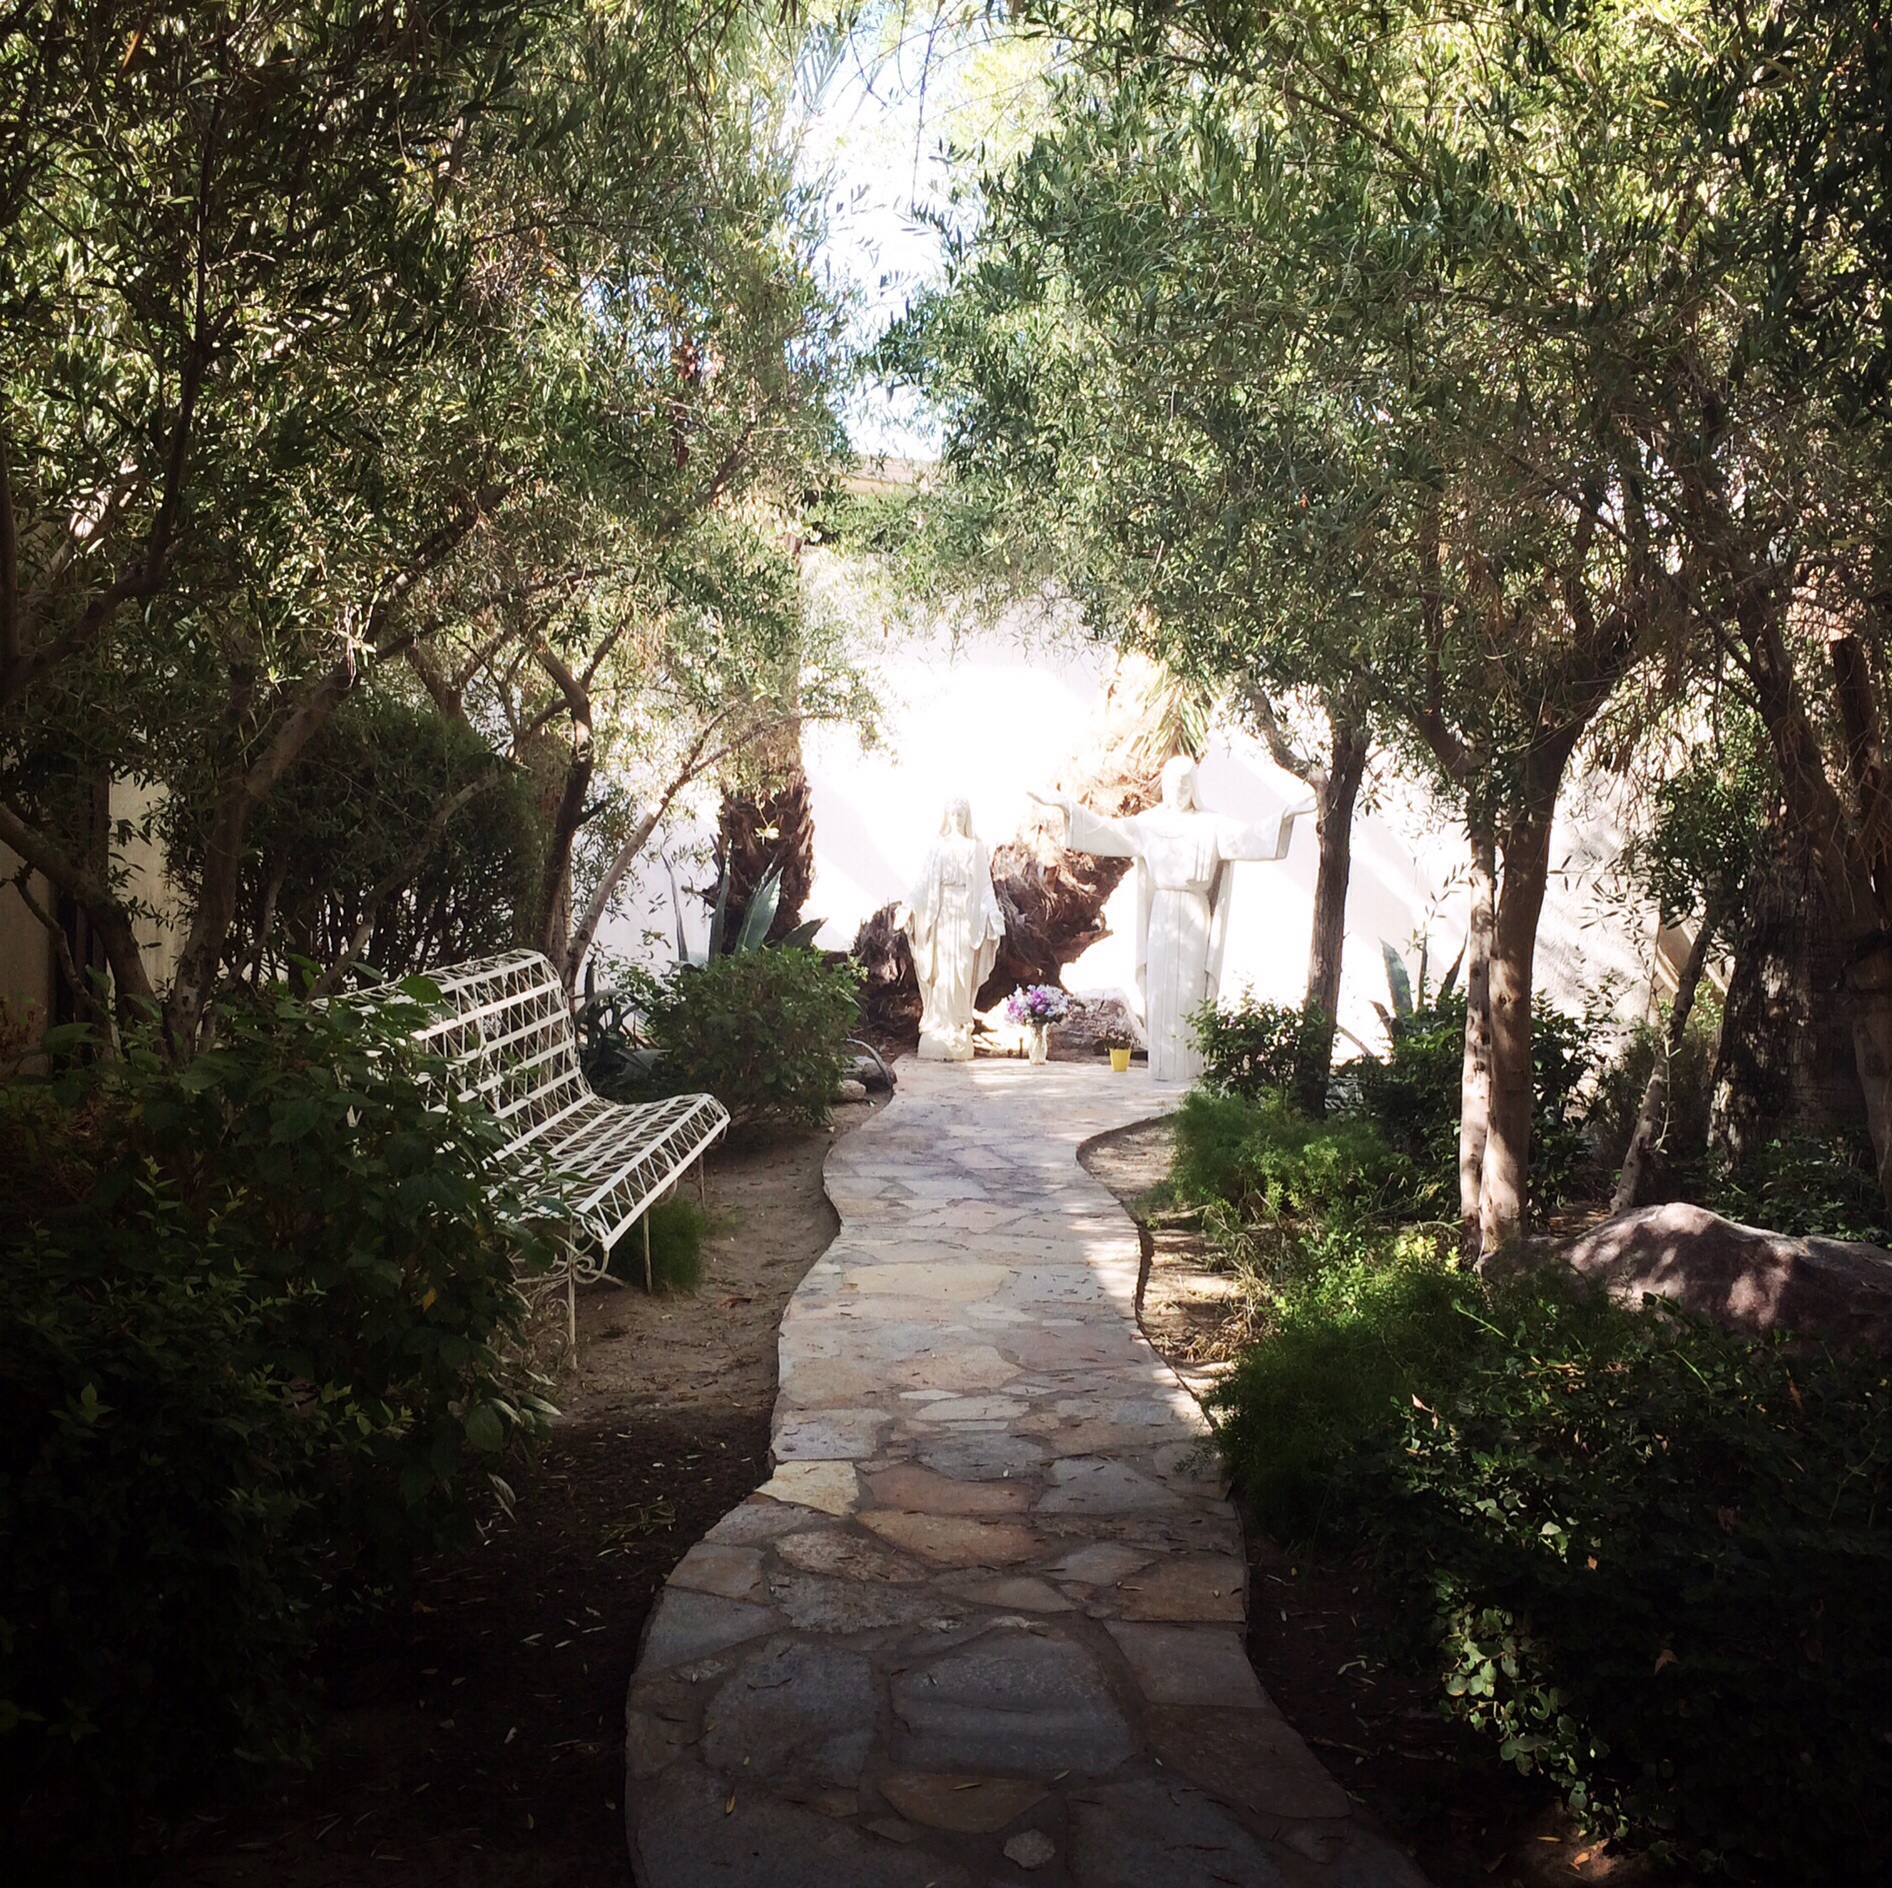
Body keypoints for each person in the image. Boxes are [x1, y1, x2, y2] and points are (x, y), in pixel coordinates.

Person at [1032, 757, 1312, 1082]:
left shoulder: (1211, 824)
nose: (1179, 790)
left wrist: (1285, 816)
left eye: (1184, 784)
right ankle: (1164, 1063)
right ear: (1166, 786)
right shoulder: (1149, 824)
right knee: (1162, 986)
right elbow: (1106, 832)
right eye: (1173, 784)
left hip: (1194, 912)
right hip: (1162, 912)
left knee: (1191, 987)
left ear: (1193, 787)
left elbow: (1248, 838)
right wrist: (1067, 806)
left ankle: (1190, 1065)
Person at [897, 797, 1006, 1062]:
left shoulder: (974, 847)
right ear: (946, 816)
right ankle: (938, 1024)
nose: (956, 818)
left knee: (960, 971)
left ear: (967, 817)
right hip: (942, 915)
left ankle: (957, 1025)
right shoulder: (937, 847)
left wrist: (992, 912)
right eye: (952, 813)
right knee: (941, 973)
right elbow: (923, 884)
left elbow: (984, 887)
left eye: (961, 814)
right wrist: (909, 905)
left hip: (965, 917)